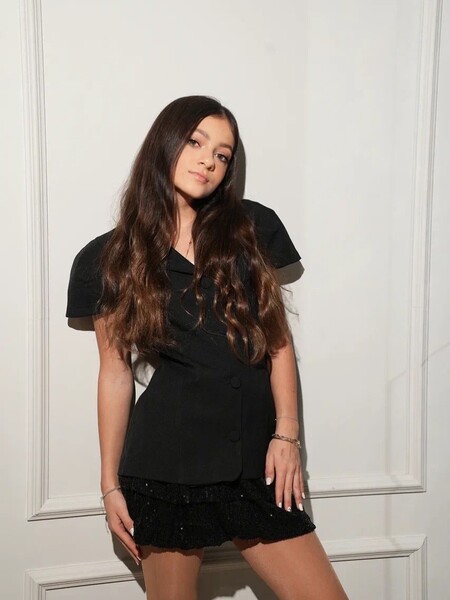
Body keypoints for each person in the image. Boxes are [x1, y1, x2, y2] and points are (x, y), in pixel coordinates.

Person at [66, 95, 348, 600]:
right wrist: (109, 484)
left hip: (256, 463)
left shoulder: (251, 227)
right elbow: (115, 372)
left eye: (222, 154)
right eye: (196, 142)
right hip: (164, 466)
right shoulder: (107, 258)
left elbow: (277, 341)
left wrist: (287, 436)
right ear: (164, 143)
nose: (208, 161)